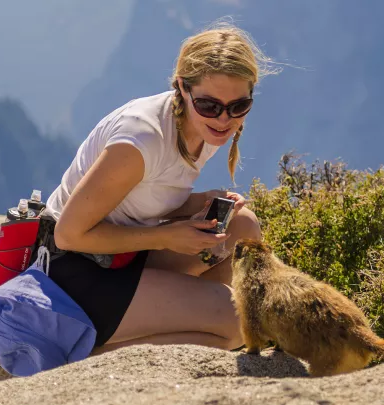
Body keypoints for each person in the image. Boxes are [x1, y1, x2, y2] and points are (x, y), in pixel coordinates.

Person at [42, 20, 277, 355]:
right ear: (183, 87)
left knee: (242, 227)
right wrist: (167, 237)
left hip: (123, 256)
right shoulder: (141, 140)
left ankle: (192, 320)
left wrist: (199, 201)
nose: (224, 119)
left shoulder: (201, 125)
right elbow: (68, 235)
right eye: (210, 106)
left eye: (239, 106)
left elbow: (142, 197)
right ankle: (88, 358)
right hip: (75, 272)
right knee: (240, 318)